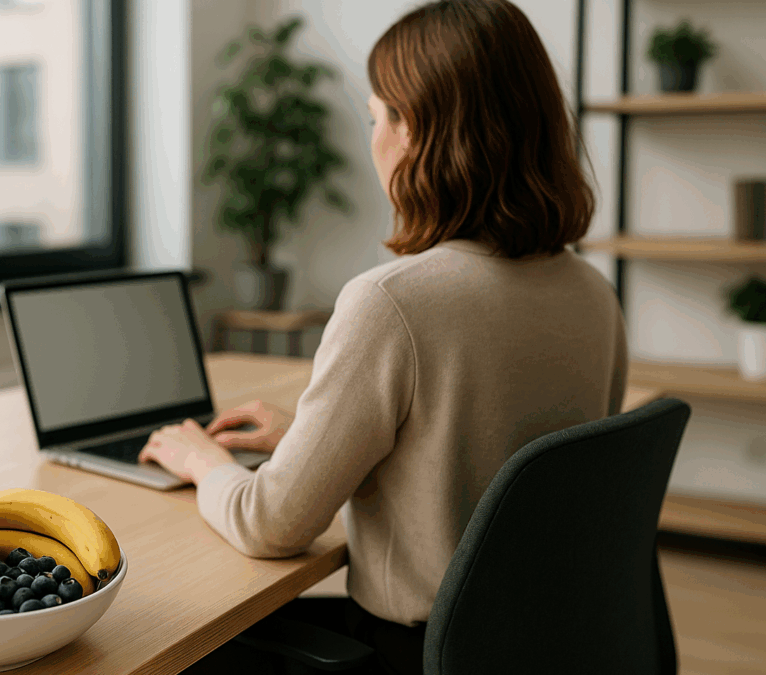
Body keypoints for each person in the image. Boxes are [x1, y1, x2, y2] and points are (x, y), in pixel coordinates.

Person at [138, 1, 626, 673]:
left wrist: (199, 460)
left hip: (418, 650)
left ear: (414, 133)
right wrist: (318, 437)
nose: (373, 140)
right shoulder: (594, 294)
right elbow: (501, 460)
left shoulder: (391, 303)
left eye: (375, 118)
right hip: (542, 643)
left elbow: (269, 522)